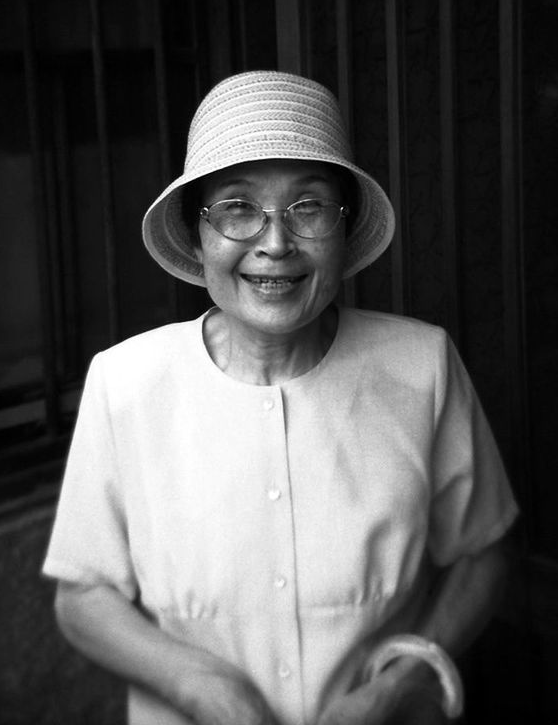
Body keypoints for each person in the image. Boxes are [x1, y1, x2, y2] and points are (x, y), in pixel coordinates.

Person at [42, 70, 519, 725]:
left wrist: (398, 685)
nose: (274, 243)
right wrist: (194, 683)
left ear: (344, 229)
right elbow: (81, 595)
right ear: (200, 233)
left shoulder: (422, 365)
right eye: (238, 207)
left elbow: (482, 552)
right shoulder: (124, 383)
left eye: (308, 206)